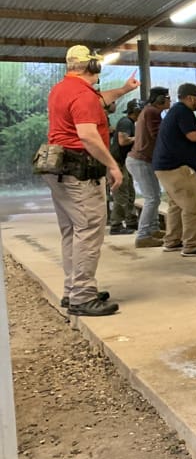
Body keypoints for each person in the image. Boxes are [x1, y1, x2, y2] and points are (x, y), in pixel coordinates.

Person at [44, 45, 139, 316]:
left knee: (71, 231)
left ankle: (72, 289)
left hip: (61, 170)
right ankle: (83, 296)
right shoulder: (83, 96)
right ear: (93, 67)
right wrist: (113, 165)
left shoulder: (63, 89)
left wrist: (123, 90)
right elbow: (87, 135)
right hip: (80, 172)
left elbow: (100, 100)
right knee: (88, 231)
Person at [153, 83, 196, 257]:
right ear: (191, 98)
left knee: (176, 206)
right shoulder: (184, 112)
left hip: (163, 166)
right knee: (194, 205)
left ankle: (172, 240)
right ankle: (192, 245)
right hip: (176, 167)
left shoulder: (174, 111)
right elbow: (193, 136)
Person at [125, 87, 170, 248]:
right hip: (141, 160)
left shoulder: (149, 111)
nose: (169, 100)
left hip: (143, 160)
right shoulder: (152, 112)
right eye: (167, 97)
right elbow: (158, 135)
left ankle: (153, 228)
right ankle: (143, 235)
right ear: (159, 100)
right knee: (152, 198)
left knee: (155, 195)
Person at [108, 99, 141, 234]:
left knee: (130, 191)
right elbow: (123, 141)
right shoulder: (126, 122)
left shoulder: (130, 123)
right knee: (121, 193)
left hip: (124, 162)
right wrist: (139, 137)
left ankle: (131, 221)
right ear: (136, 111)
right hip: (118, 162)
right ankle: (116, 224)